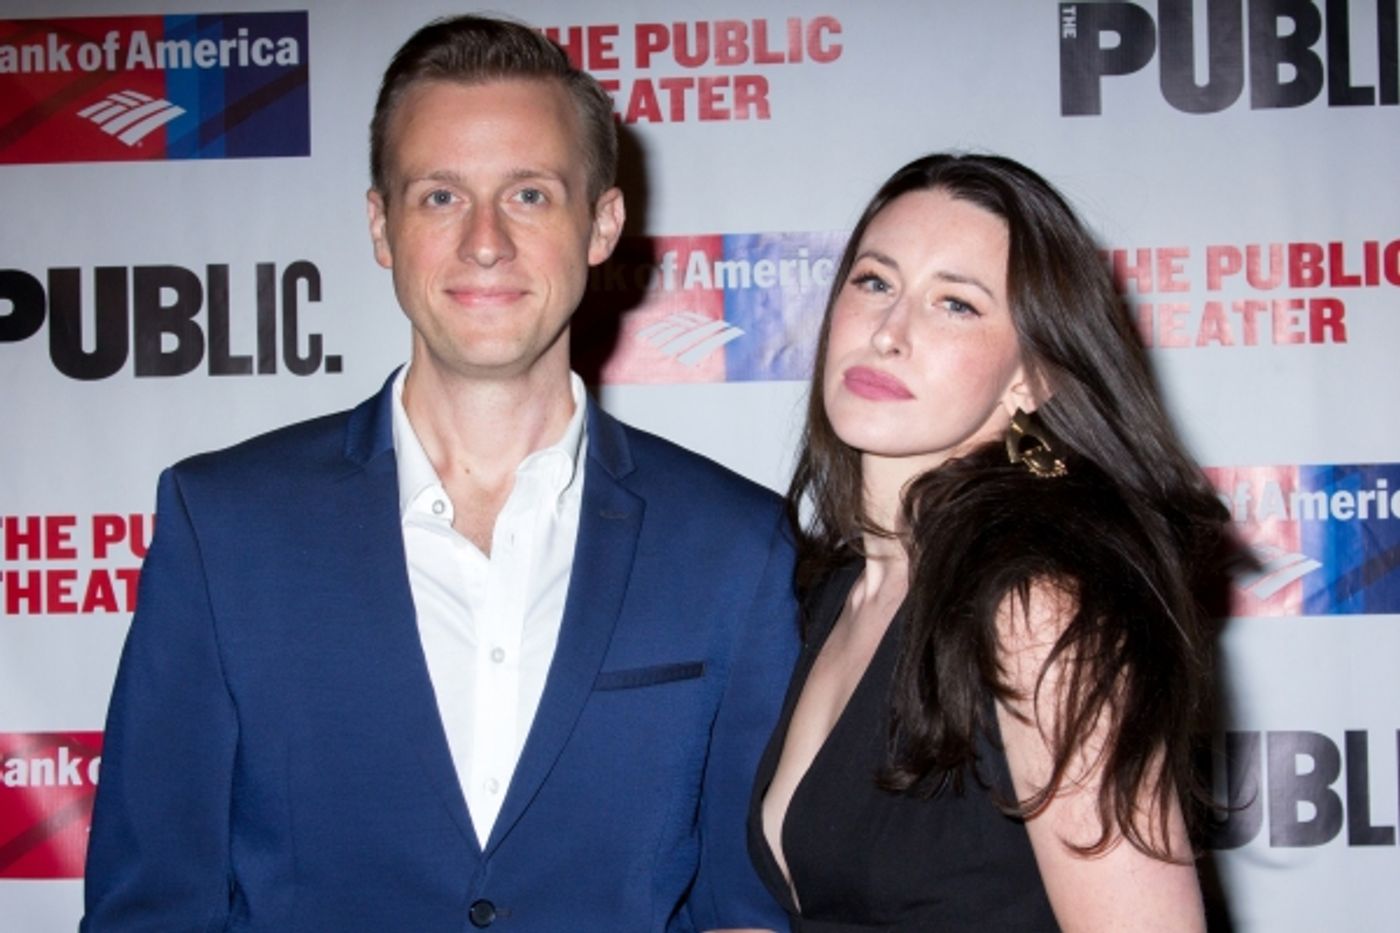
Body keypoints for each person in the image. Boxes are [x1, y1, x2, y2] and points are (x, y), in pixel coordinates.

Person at [82, 15, 797, 932]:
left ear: (602, 224)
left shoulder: (734, 544)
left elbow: (747, 910)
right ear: (382, 226)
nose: (486, 241)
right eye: (440, 197)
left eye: (531, 195)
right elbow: (152, 907)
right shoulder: (222, 527)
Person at [747, 153, 1238, 931]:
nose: (888, 332)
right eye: (874, 282)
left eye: (956, 304)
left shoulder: (1038, 607)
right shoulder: (839, 592)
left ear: (1029, 379)